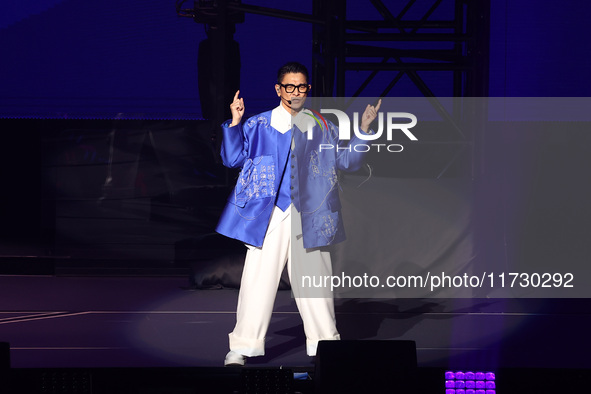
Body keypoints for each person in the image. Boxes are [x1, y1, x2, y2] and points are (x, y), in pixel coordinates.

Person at [216, 61, 381, 366]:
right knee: (257, 282)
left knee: (316, 284)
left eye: (301, 86)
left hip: (311, 215)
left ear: (307, 89)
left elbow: (347, 163)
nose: (295, 92)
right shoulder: (258, 125)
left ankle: (325, 346)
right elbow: (232, 158)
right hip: (269, 215)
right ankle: (242, 346)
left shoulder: (322, 126)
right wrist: (235, 122)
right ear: (279, 89)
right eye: (289, 87)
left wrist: (364, 130)